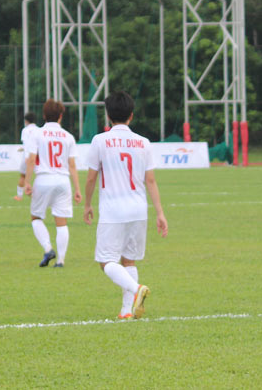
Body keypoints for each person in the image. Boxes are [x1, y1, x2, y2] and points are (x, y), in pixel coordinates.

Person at [83, 91, 168, 320]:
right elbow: (150, 180)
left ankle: (135, 289)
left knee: (106, 261)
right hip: (138, 210)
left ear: (108, 116)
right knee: (128, 259)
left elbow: (91, 177)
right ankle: (125, 311)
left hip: (113, 211)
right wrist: (160, 213)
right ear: (131, 115)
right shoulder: (143, 142)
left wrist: (87, 204)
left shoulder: (100, 141)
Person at [24, 99, 82, 268]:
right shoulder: (68, 137)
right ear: (61, 116)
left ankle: (48, 248)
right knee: (61, 222)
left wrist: (27, 182)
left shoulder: (37, 134)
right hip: (63, 181)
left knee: (36, 217)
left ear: (44, 115)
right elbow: (72, 165)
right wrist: (77, 189)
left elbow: (31, 159)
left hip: (43, 179)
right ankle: (61, 260)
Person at [14, 112, 39, 201]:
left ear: (26, 121)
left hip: (27, 155)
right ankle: (38, 195)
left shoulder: (25, 130)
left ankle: (19, 196)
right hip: (36, 156)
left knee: (23, 176)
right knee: (39, 177)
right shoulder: (38, 130)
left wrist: (26, 154)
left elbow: (26, 143)